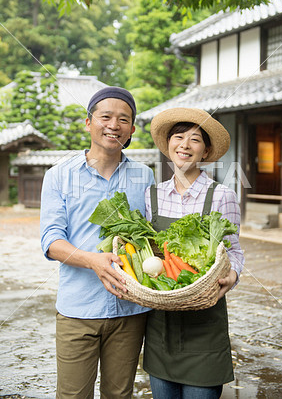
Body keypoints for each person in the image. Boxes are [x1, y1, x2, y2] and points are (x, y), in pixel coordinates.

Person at [40, 87, 155, 398]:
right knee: (73, 394)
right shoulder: (59, 176)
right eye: (105, 116)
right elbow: (51, 241)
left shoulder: (145, 177)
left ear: (132, 129)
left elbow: (153, 237)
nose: (113, 125)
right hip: (78, 308)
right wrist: (92, 260)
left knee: (120, 395)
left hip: (130, 310)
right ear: (88, 122)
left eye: (123, 119)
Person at [143, 107, 245, 399]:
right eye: (178, 137)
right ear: (168, 145)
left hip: (205, 318)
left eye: (195, 139)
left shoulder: (222, 195)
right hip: (161, 320)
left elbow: (234, 250)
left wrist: (231, 277)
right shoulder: (153, 195)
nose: (185, 145)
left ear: (206, 150)